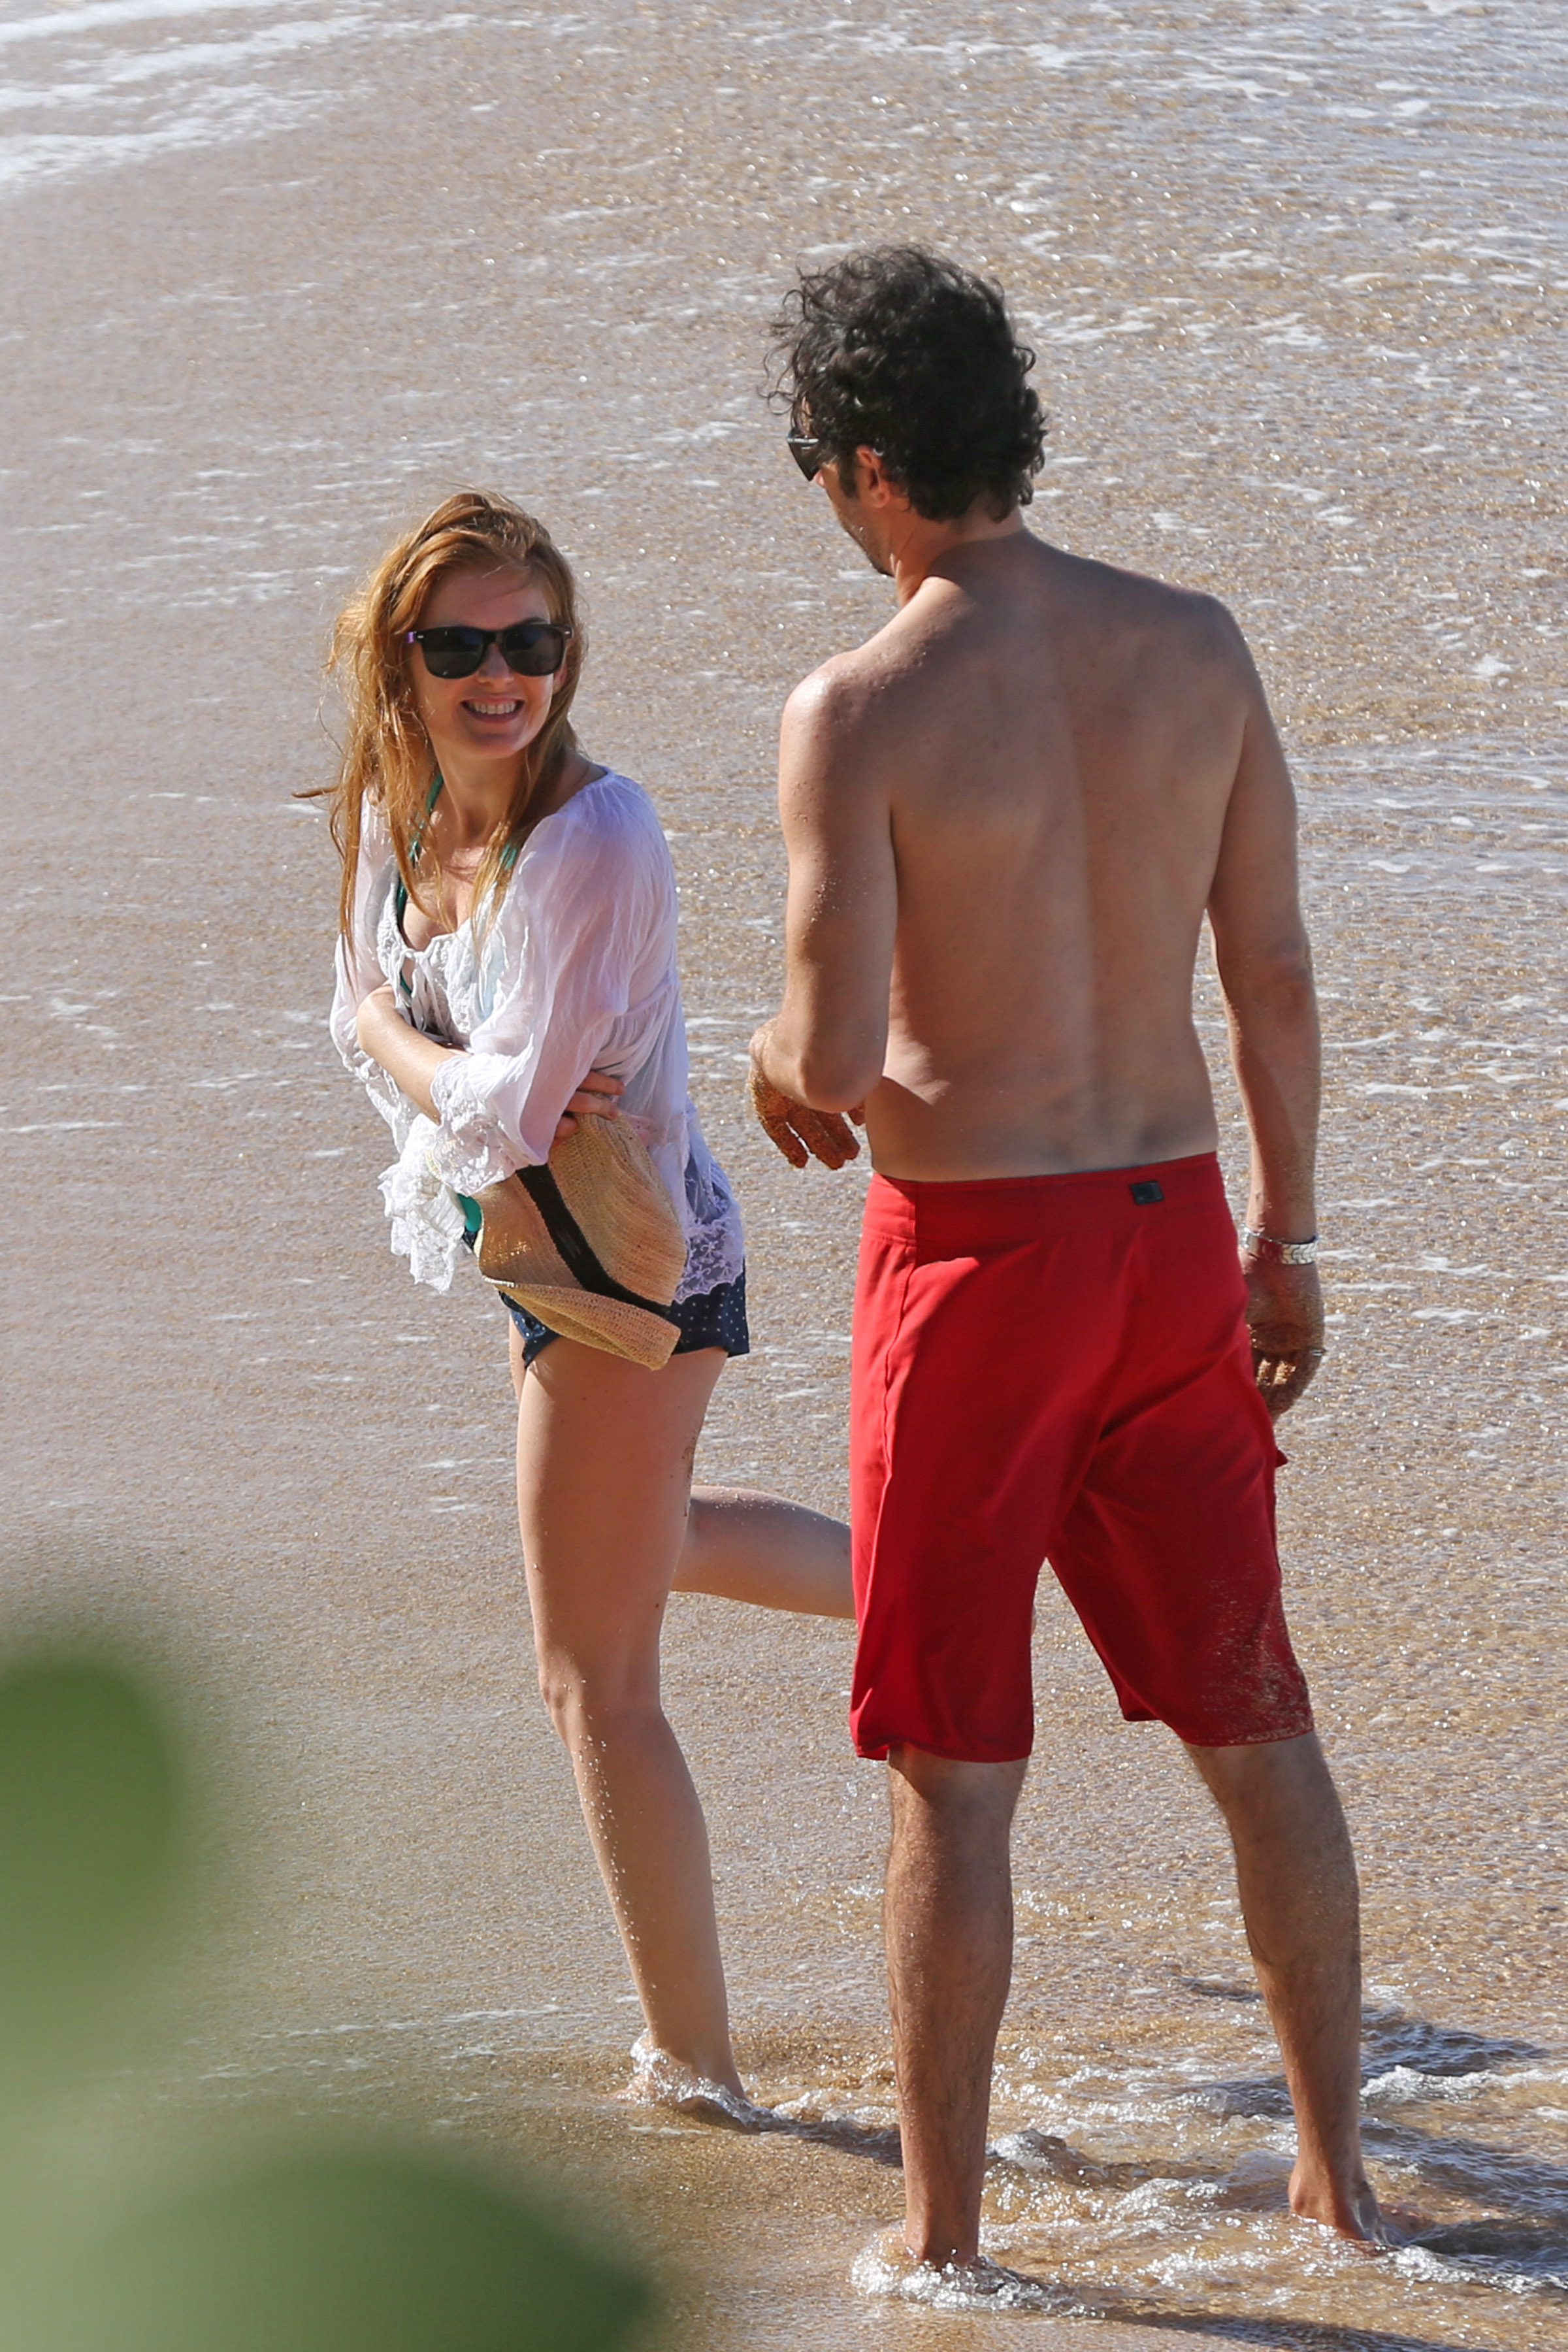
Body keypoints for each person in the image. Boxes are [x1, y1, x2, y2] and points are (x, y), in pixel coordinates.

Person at [747, 248, 1384, 2287]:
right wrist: (1288, 1234)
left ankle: (941, 2245)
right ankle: (1340, 2186)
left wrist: (763, 1058)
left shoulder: (859, 708)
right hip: (1176, 1230)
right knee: (1257, 1727)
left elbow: (832, 1059)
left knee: (955, 1778)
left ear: (866, 464)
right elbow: (1271, 969)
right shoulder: (1197, 645)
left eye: (820, 465)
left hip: (978, 1270)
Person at [325, 491, 850, 2115]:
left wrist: (405, 1037)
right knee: (650, 1546)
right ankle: (963, 1579)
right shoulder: (396, 809)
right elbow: (372, 1018)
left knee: (591, 1683)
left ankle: (697, 2071)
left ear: (566, 653)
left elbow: (504, 1104)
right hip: (543, 1254)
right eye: (460, 647)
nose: (501, 677)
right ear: (400, 664)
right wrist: (418, 1045)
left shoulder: (597, 834)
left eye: (531, 642)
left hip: (630, 1270)